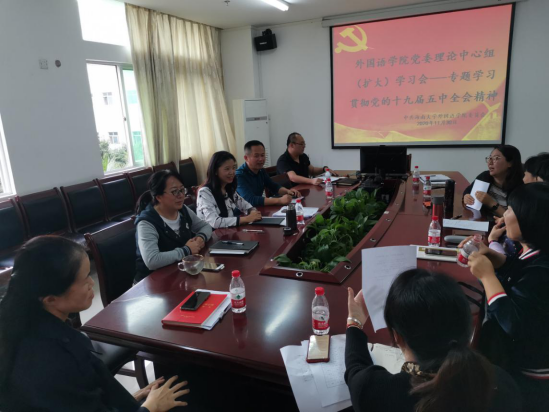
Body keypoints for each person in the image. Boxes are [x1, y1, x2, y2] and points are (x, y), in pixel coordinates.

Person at [0, 236, 189, 412]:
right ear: (50, 299)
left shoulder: (25, 322)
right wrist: (150, 407)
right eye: (85, 280)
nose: (92, 283)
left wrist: (130, 399)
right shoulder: (51, 364)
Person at [345, 269, 522, 412]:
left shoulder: (378, 392)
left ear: (397, 336)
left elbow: (355, 370)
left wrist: (354, 323)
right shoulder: (501, 383)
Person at [460, 182, 549, 412]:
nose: (503, 215)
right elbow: (519, 270)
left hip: (529, 378)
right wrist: (490, 254)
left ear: (529, 220)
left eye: (510, 210)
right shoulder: (535, 254)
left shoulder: (542, 271)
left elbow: (513, 322)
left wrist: (487, 276)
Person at [135, 170, 212, 283]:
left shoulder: (182, 210)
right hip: (151, 283)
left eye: (182, 190)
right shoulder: (147, 223)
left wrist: (201, 237)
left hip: (178, 274)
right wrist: (186, 250)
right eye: (174, 192)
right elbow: (152, 260)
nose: (181, 195)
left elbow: (205, 226)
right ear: (159, 197)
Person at [197, 151, 262, 229]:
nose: (232, 172)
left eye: (234, 168)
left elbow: (246, 206)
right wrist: (246, 219)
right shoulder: (204, 192)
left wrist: (253, 212)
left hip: (227, 232)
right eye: (227, 169)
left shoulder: (228, 188)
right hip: (212, 235)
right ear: (215, 171)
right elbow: (214, 222)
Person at [236, 140, 302, 208]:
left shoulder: (261, 171)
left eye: (262, 155)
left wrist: (288, 191)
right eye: (256, 156)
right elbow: (250, 200)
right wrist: (279, 200)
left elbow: (273, 186)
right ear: (246, 158)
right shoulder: (239, 176)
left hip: (257, 209)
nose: (261, 159)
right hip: (242, 212)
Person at [463, 145, 524, 217]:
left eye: (496, 158)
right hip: (482, 221)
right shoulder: (484, 177)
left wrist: (491, 203)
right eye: (489, 158)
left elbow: (514, 219)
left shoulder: (519, 188)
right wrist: (466, 197)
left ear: (510, 163)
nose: (490, 162)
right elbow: (468, 191)